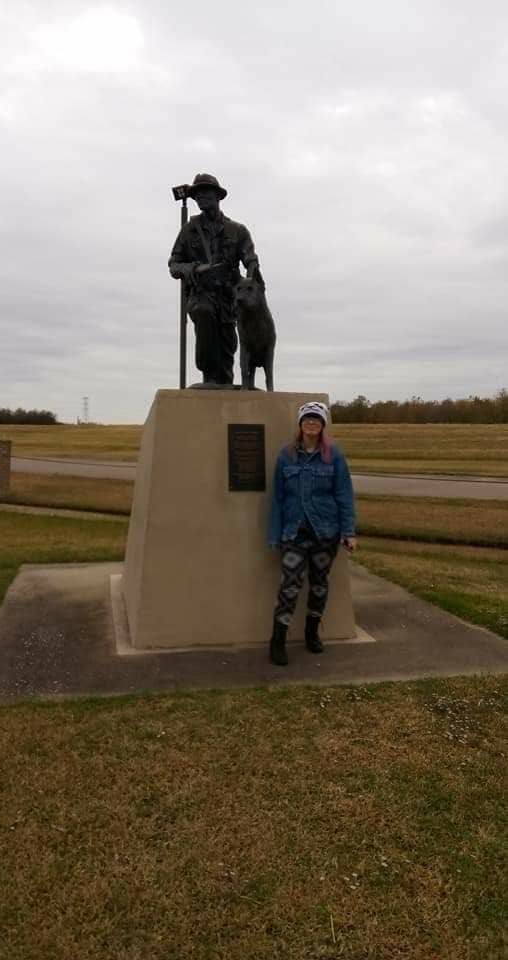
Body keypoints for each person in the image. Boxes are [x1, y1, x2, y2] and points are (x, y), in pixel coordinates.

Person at [267, 401, 356, 666]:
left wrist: (349, 531)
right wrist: (275, 535)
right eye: (307, 419)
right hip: (294, 534)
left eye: (317, 420)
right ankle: (277, 641)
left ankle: (312, 633)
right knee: (289, 587)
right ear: (300, 424)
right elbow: (278, 500)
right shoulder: (286, 456)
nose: (312, 424)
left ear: (323, 425)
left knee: (319, 586)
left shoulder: (334, 456)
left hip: (325, 533)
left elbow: (344, 495)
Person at [169, 173, 263, 386]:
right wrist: (194, 268)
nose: (201, 197)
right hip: (201, 293)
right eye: (197, 194)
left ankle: (224, 382)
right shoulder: (189, 231)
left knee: (227, 341)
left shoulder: (237, 230)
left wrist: (251, 281)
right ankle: (209, 377)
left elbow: (250, 259)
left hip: (229, 295)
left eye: (205, 192)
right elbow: (174, 264)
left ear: (217, 196)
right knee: (204, 314)